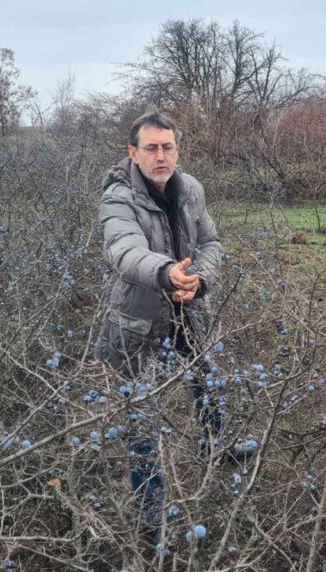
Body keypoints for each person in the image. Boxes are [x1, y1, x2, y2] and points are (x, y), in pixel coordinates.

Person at [95, 111, 225, 543]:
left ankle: (215, 447)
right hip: (138, 321)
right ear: (133, 153)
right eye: (150, 148)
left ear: (177, 149)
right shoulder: (118, 199)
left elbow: (210, 242)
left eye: (167, 146)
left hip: (187, 311)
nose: (160, 155)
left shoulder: (191, 191)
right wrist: (168, 272)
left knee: (205, 379)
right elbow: (124, 251)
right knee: (142, 418)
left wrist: (199, 280)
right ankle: (152, 521)